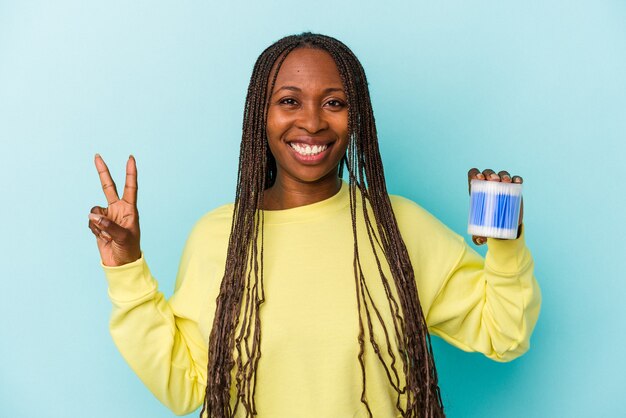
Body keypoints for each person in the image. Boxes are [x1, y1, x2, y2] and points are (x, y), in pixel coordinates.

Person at [88, 33, 541, 418]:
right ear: (260, 118)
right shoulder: (217, 237)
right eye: (289, 101)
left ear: (356, 117)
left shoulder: (398, 226)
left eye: (334, 102)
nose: (311, 121)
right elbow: (184, 387)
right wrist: (127, 269)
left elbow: (504, 333)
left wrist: (506, 242)